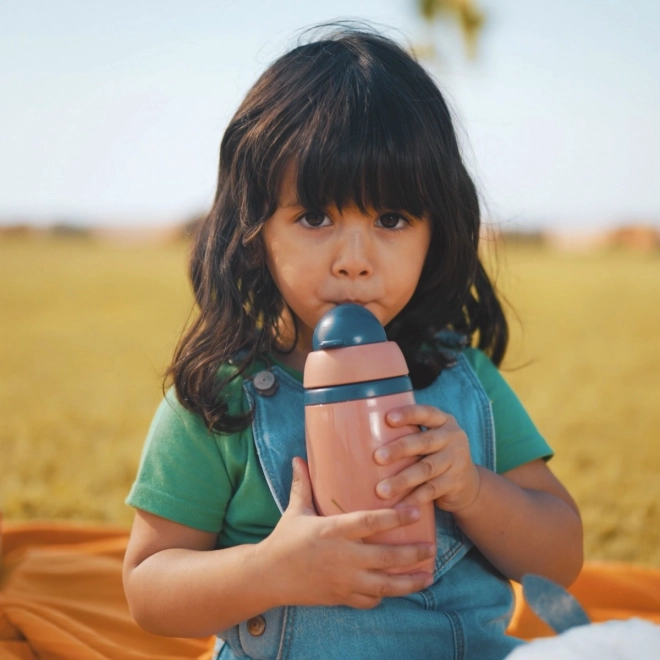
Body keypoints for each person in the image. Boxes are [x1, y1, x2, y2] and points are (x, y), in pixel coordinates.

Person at [122, 25, 583, 660]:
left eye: (391, 219)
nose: (354, 261)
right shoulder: (218, 400)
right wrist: (271, 571)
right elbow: (147, 587)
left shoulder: (464, 381)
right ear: (254, 229)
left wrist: (475, 491)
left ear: (437, 231)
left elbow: (561, 555)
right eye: (315, 217)